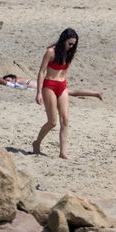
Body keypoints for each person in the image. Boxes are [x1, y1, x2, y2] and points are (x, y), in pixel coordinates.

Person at [33, 28, 79, 159]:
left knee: (65, 120)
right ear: (63, 40)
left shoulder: (69, 53)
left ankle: (62, 152)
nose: (71, 46)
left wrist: (65, 86)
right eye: (70, 43)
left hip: (62, 86)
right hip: (49, 86)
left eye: (74, 44)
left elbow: (65, 72)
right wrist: (38, 92)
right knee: (52, 122)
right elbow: (41, 72)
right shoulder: (51, 52)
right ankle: (36, 143)